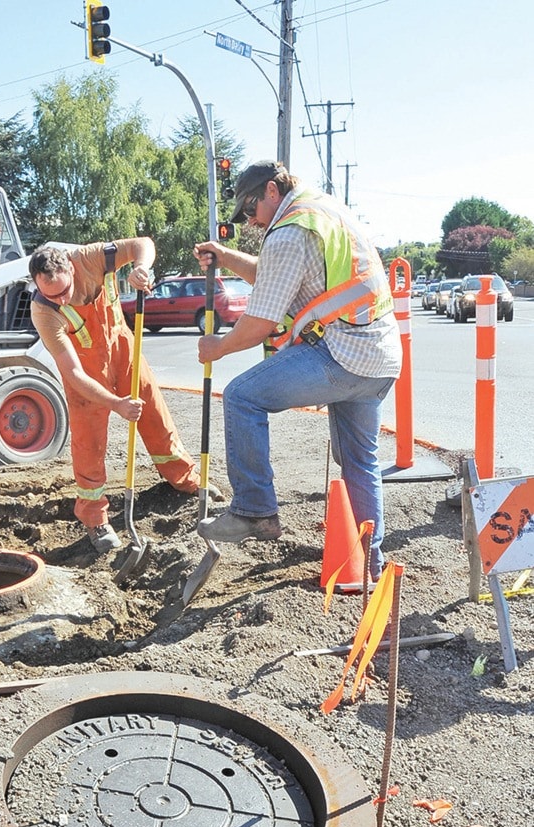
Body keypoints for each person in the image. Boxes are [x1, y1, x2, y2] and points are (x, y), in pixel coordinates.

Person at [194, 160, 402, 579]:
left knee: (241, 396)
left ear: (272, 190)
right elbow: (276, 278)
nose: (250, 220)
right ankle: (369, 564)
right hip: (378, 357)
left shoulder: (289, 232)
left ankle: (255, 511)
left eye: (251, 209)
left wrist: (218, 347)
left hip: (342, 355)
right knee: (360, 460)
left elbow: (260, 324)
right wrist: (227, 255)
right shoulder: (321, 211)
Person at [29, 238, 208, 554]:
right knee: (89, 442)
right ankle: (95, 518)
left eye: (63, 290)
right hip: (85, 376)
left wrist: (141, 268)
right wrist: (116, 404)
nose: (60, 299)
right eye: (50, 294)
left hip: (124, 349)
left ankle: (186, 480)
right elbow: (73, 374)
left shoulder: (89, 258)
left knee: (155, 414)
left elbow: (143, 243)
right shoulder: (45, 312)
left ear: (71, 268)